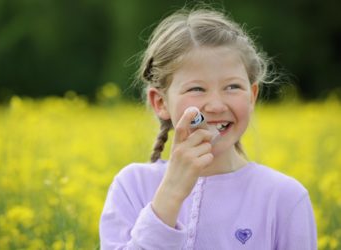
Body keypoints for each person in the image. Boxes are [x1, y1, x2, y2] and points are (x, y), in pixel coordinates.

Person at [99, 6, 317, 250]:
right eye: (197, 89)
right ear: (160, 103)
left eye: (232, 87)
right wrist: (171, 193)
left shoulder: (285, 198)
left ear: (252, 96)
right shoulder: (132, 187)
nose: (215, 105)